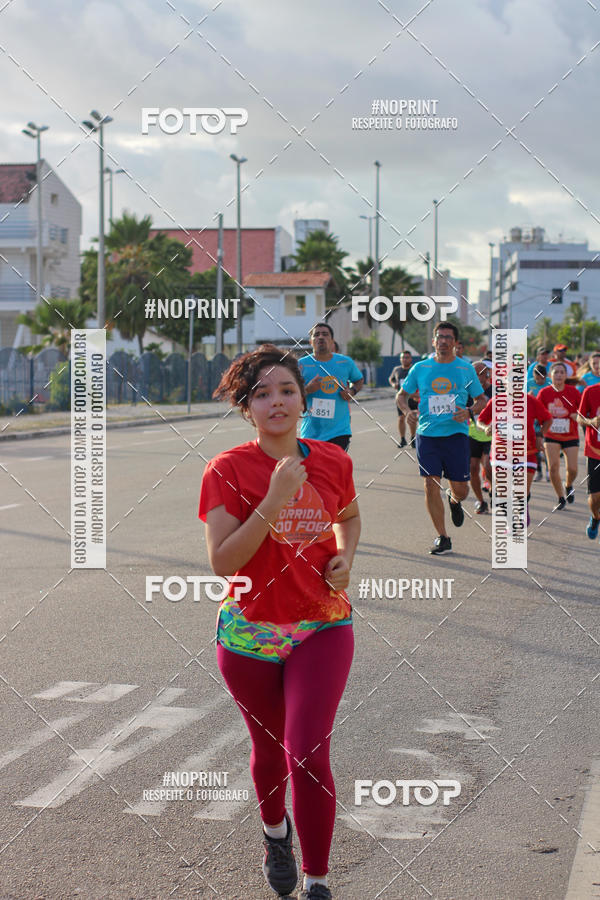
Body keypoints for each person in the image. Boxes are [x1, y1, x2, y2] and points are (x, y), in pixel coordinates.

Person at [199, 345, 360, 900]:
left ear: (303, 396)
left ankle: (318, 881)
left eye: (286, 390)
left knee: (308, 750)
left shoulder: (334, 461)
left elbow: (351, 516)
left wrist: (346, 555)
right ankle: (275, 835)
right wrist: (274, 498)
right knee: (269, 752)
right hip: (250, 632)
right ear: (247, 409)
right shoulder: (226, 469)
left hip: (322, 624)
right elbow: (223, 562)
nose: (277, 402)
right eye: (261, 394)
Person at [397, 322, 487, 555]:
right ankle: (442, 536)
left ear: (456, 343)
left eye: (448, 337)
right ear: (434, 341)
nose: (444, 341)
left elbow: (481, 400)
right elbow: (402, 395)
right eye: (440, 337)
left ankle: (454, 499)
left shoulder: (465, 369)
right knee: (429, 483)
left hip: (456, 435)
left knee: (462, 490)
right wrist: (408, 412)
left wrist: (468, 412)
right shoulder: (420, 368)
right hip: (427, 434)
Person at [478, 389, 552, 526]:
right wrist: (485, 428)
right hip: (501, 451)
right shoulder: (496, 401)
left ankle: (522, 504)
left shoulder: (530, 401)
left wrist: (540, 435)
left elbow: (547, 419)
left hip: (526, 452)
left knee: (521, 489)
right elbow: (480, 421)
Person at [298, 323, 364, 452]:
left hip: (339, 432)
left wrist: (352, 390)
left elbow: (359, 380)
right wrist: (307, 390)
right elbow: (290, 393)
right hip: (311, 432)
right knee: (313, 471)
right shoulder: (301, 365)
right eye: (316, 335)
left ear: (332, 340)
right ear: (311, 341)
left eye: (325, 334)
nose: (321, 337)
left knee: (334, 470)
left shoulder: (345, 362)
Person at [537, 362, 581, 510]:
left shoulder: (573, 392)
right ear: (551, 375)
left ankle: (568, 485)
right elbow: (537, 412)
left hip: (570, 435)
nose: (559, 375)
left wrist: (577, 416)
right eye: (556, 372)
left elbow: (582, 411)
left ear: (566, 375)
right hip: (551, 434)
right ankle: (561, 497)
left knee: (573, 469)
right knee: (553, 468)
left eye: (562, 372)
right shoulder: (544, 393)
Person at [468, 361, 493, 513]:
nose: (478, 377)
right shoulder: (467, 391)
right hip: (473, 434)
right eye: (474, 374)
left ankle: (493, 491)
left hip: (492, 435)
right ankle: (481, 501)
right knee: (472, 468)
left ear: (487, 374)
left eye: (481, 373)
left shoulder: (496, 391)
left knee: (488, 466)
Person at [577, 381, 600, 540]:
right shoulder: (591, 391)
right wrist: (591, 421)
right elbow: (579, 418)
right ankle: (595, 517)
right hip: (595, 451)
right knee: (595, 497)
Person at [389, 350, 417, 447]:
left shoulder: (414, 369)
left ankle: (413, 438)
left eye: (406, 357)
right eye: (402, 357)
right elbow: (391, 379)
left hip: (413, 398)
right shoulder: (397, 369)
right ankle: (402, 439)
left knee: (412, 418)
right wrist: (394, 384)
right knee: (401, 418)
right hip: (401, 398)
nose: (404, 359)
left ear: (410, 358)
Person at [528, 364, 550, 481]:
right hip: (533, 419)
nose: (540, 381)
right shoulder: (529, 384)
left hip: (547, 418)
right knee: (536, 445)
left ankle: (548, 471)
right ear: (534, 376)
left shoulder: (550, 383)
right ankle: (539, 471)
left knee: (546, 445)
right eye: (537, 379)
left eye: (542, 378)